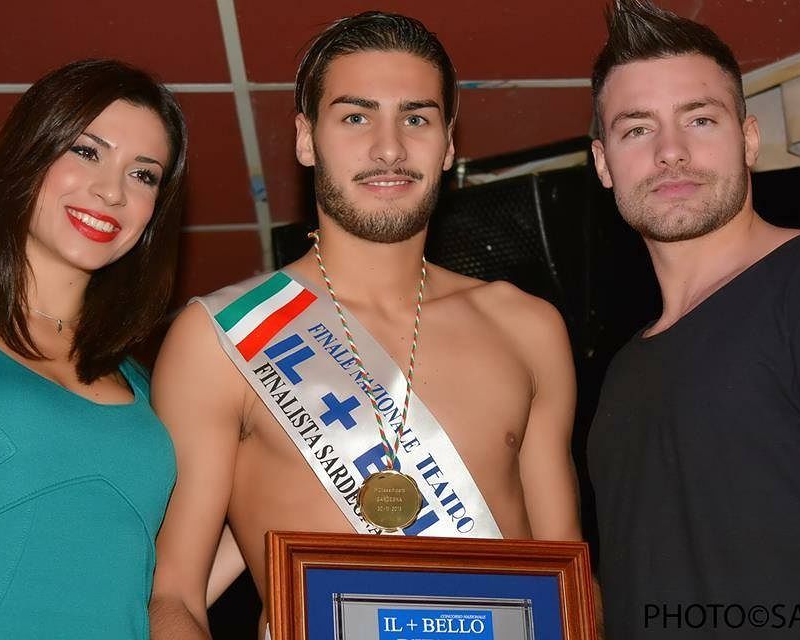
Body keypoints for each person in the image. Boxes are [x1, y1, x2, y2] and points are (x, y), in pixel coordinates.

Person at [149, 11, 581, 639]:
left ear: (449, 144)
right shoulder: (219, 337)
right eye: (356, 117)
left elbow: (569, 586)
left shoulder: (529, 329)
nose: (389, 148)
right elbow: (172, 598)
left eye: (416, 118)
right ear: (306, 139)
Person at [587, 1, 800, 637]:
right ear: (603, 163)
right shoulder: (623, 374)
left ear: (748, 138)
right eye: (637, 129)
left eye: (700, 120)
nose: (671, 152)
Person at [0, 59, 188, 638]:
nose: (112, 191)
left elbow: (169, 583)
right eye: (86, 151)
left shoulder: (146, 387)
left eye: (144, 175)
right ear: (28, 154)